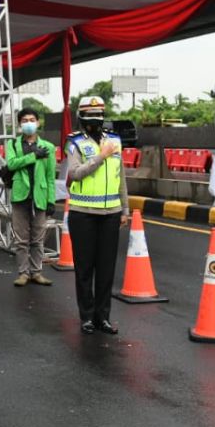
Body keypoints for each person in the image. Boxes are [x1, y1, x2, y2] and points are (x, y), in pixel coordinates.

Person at [66, 96, 129, 335]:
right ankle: (87, 317)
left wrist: (125, 209)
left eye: (98, 114)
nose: (95, 119)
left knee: (106, 269)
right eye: (90, 115)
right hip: (83, 214)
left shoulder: (115, 141)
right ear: (82, 117)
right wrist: (101, 157)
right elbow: (75, 173)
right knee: (84, 269)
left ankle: (103, 317)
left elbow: (120, 177)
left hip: (110, 214)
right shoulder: (74, 143)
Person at [6, 108, 56, 288]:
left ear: (38, 122)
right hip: (20, 196)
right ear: (20, 124)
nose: (28, 122)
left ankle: (36, 272)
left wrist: (51, 200)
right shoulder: (13, 144)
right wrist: (33, 156)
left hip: (40, 196)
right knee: (21, 239)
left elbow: (51, 177)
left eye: (32, 119)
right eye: (25, 120)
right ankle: (22, 273)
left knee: (37, 238)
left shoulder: (48, 147)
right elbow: (11, 164)